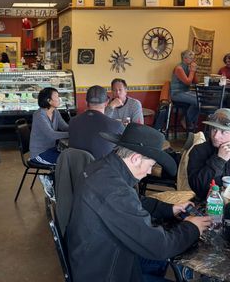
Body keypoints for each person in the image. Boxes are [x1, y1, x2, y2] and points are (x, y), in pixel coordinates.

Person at [66, 123, 211, 282]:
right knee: (163, 255)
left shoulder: (102, 167)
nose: (149, 172)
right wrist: (192, 227)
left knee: (160, 261)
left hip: (95, 254)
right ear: (135, 159)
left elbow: (133, 202)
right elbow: (159, 246)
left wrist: (169, 209)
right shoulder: (115, 190)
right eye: (150, 165)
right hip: (103, 272)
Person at [69, 85, 124, 160]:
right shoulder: (117, 125)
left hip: (76, 166)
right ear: (106, 103)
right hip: (103, 167)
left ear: (86, 102)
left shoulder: (73, 121)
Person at [188, 108, 230, 200]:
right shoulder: (199, 151)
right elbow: (198, 188)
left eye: (224, 132)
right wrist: (219, 160)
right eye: (214, 129)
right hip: (209, 203)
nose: (216, 136)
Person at [29, 87, 69, 165]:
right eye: (57, 97)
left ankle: (56, 173)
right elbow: (52, 135)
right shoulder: (39, 115)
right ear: (49, 100)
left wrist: (76, 128)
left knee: (71, 157)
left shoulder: (55, 112)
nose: (59, 99)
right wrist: (72, 134)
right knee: (67, 161)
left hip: (51, 149)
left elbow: (64, 127)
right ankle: (55, 173)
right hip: (39, 154)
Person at [170, 49, 199, 129]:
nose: (193, 60)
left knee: (201, 99)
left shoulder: (188, 67)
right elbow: (188, 82)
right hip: (176, 93)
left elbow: (196, 82)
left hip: (186, 92)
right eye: (191, 58)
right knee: (198, 101)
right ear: (185, 58)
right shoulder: (179, 68)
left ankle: (188, 119)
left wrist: (194, 71)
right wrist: (192, 71)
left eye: (193, 58)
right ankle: (186, 120)